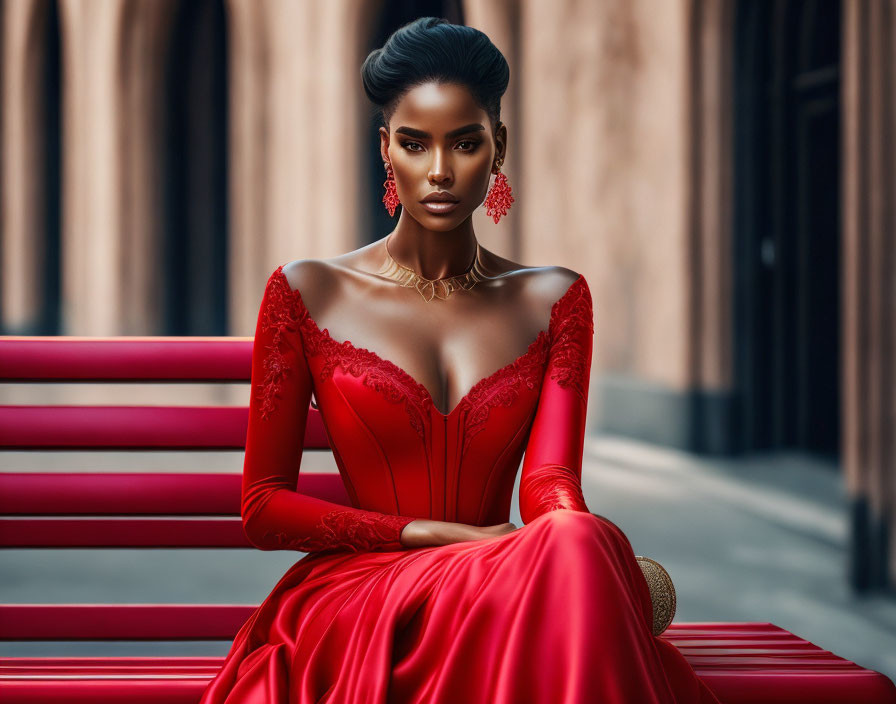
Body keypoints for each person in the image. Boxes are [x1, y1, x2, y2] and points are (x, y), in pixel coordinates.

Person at [199, 17, 721, 704]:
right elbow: (263, 508)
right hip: (365, 594)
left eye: (466, 143)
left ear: (498, 148)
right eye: (415, 145)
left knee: (574, 539)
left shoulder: (557, 299)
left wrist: (567, 531)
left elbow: (552, 481)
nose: (440, 171)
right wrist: (435, 535)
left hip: (499, 576)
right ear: (385, 150)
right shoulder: (306, 292)